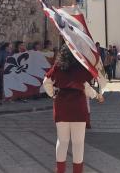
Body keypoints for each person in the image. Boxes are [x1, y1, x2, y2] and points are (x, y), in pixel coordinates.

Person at [42, 44, 104, 173]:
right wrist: (97, 95)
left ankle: (60, 170)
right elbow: (85, 87)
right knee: (78, 142)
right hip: (78, 106)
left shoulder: (57, 67)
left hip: (61, 105)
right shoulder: (81, 68)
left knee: (62, 140)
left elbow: (46, 81)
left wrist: (53, 94)